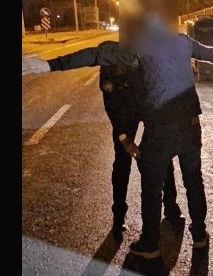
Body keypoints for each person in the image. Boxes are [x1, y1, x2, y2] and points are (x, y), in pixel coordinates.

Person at [22, 9, 213, 259]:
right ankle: (200, 234)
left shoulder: (139, 48)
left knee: (151, 186)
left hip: (160, 130)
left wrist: (50, 64)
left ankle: (150, 244)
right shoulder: (182, 42)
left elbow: (96, 54)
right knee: (194, 180)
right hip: (190, 126)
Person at [45, 41, 144, 235]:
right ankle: (118, 218)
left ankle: (171, 206)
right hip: (123, 116)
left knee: (159, 159)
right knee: (122, 163)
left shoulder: (148, 49)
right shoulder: (110, 58)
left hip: (148, 109)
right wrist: (124, 138)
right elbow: (111, 105)